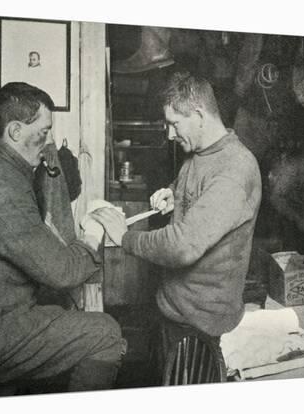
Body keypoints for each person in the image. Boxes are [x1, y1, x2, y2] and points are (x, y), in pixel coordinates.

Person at [0, 82, 124, 394]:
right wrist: (92, 231)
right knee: (106, 333)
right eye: (43, 131)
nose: (47, 142)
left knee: (67, 312)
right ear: (16, 132)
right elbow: (62, 272)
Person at [92, 72, 262, 341]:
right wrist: (174, 194)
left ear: (199, 115)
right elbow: (198, 190)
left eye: (174, 124)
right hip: (174, 307)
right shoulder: (201, 152)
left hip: (200, 325)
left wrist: (124, 237)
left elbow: (183, 247)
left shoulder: (235, 169)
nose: (170, 135)